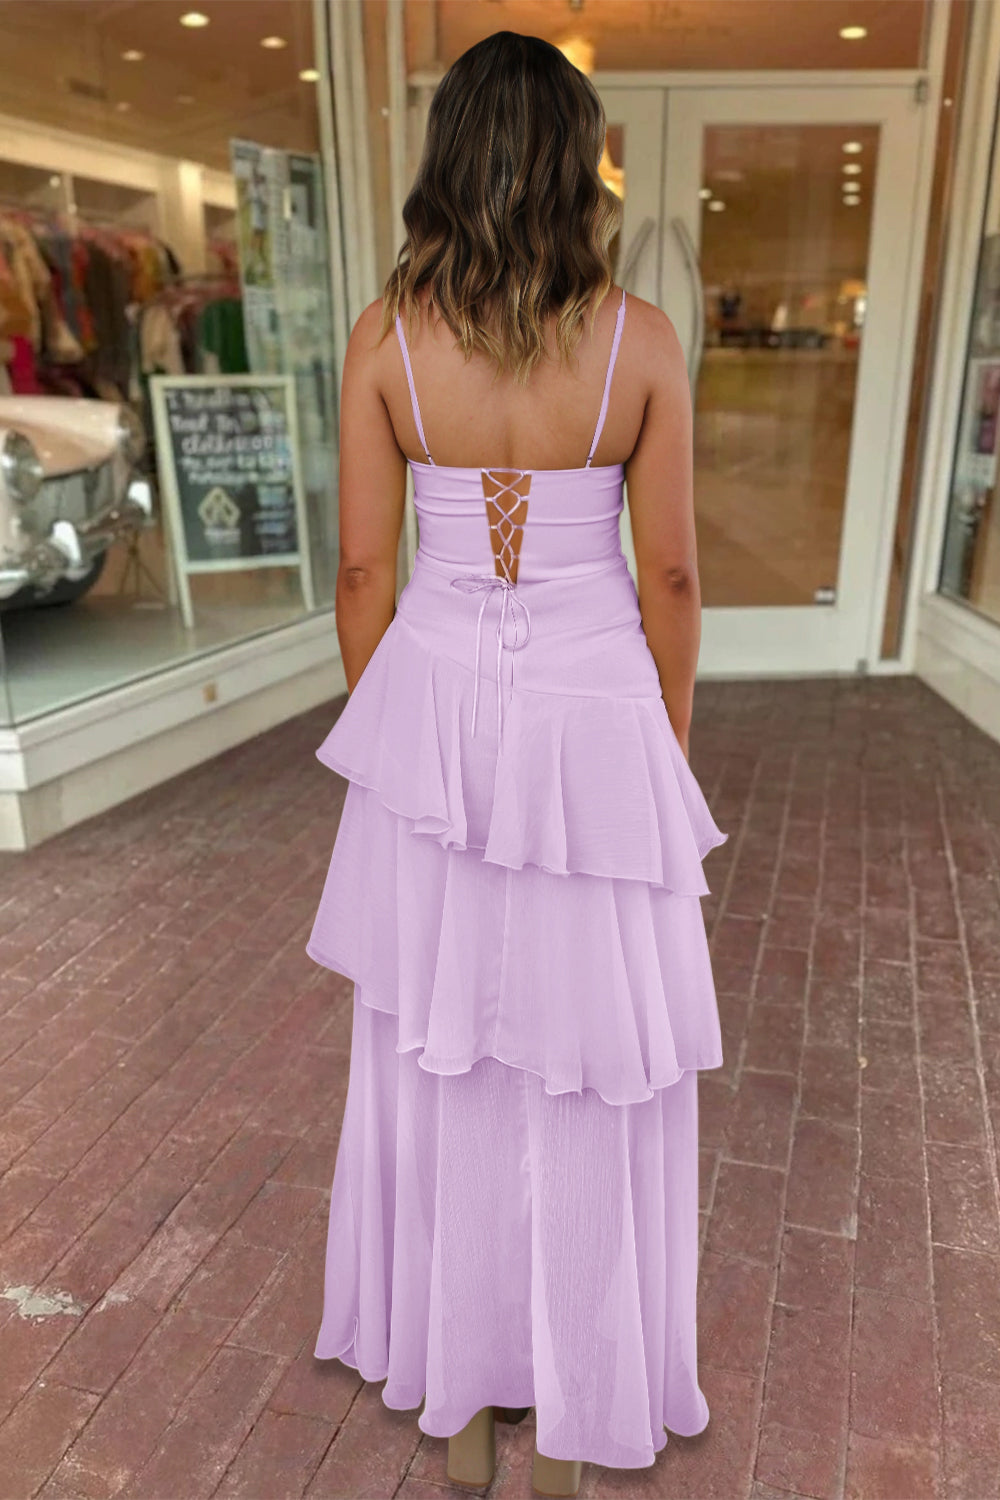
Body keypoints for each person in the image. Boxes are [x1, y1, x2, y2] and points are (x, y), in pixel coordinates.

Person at [306, 30, 725, 1498]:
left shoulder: (385, 338)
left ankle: (465, 1407)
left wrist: (400, 744)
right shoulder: (640, 341)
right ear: (577, 164)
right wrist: (663, 754)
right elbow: (670, 578)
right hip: (594, 711)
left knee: (443, 1049)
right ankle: (572, 1410)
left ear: (449, 159)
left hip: (434, 708)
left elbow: (365, 573)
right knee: (589, 1062)